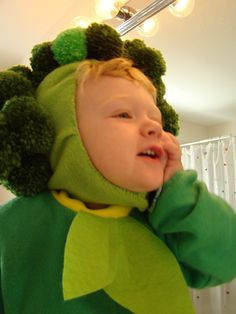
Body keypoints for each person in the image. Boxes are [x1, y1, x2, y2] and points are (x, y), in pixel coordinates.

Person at [0, 23, 236, 314]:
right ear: (64, 134)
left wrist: (178, 189)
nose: (153, 126)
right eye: (124, 114)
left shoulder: (166, 218)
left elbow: (227, 259)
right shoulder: (13, 225)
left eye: (157, 120)